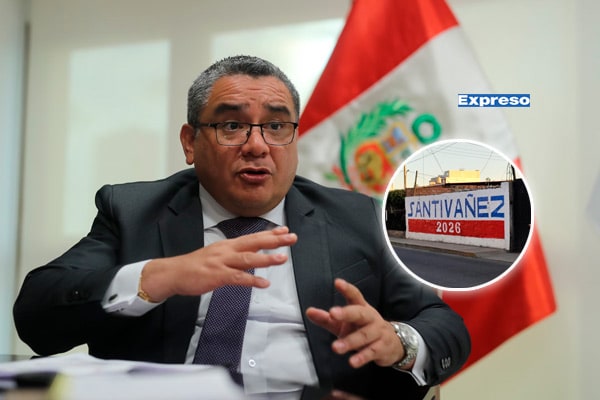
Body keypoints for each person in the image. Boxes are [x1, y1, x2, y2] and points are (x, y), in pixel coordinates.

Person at [13, 55, 470, 399]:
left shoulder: (360, 217)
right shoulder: (133, 211)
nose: (257, 146)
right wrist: (158, 276)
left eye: (276, 126)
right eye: (232, 125)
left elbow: (445, 326)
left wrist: (398, 342)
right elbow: (36, 315)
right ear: (190, 142)